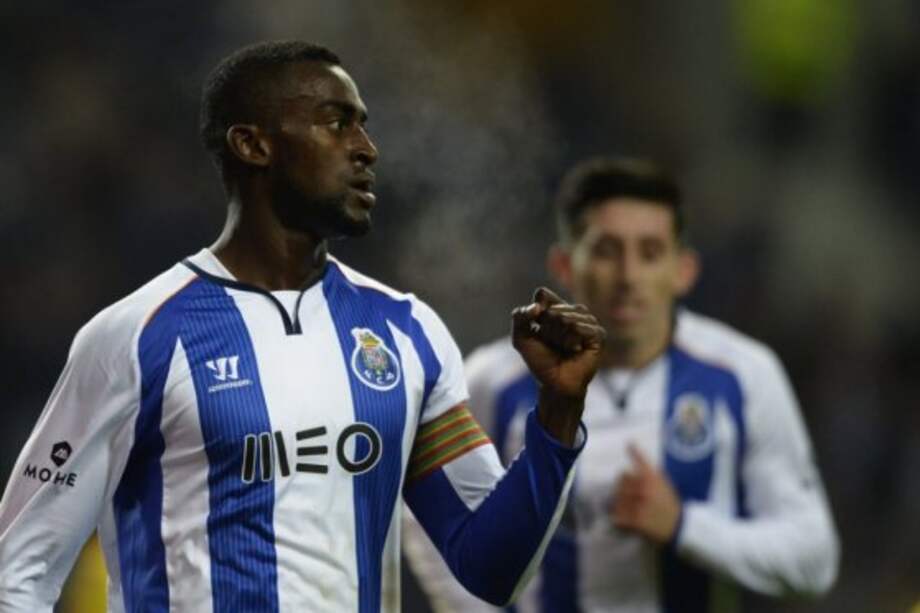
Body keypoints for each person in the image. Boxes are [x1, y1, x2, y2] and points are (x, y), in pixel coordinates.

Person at [0, 41, 607, 612]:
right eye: (336, 122)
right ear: (252, 145)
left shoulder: (405, 330)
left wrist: (558, 409)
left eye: (363, 123)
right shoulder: (135, 337)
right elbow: (17, 572)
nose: (366, 147)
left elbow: (490, 568)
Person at [403, 157, 840, 612]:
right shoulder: (495, 380)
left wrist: (684, 526)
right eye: (607, 251)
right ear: (564, 265)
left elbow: (813, 560)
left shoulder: (743, 375)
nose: (629, 277)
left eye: (650, 252)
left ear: (683, 270)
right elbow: (426, 526)